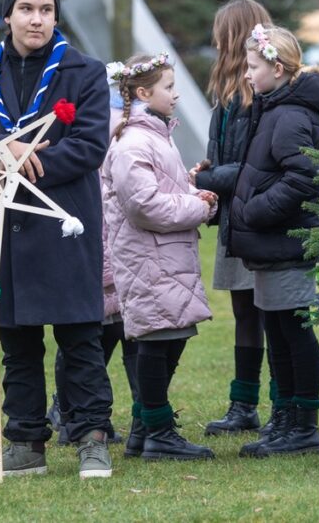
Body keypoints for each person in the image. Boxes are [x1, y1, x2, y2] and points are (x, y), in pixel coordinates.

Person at [0, 0, 113, 479]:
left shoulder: (84, 71)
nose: (36, 19)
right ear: (7, 15)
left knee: (80, 337)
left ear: (55, 17)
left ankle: (91, 438)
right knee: (16, 340)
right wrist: (3, 152)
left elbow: (89, 145)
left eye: (45, 9)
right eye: (26, 8)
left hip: (63, 221)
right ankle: (24, 442)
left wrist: (30, 163)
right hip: (0, 222)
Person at [228, 24, 319, 458]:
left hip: (287, 244)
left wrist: (255, 212)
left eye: (253, 66)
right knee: (277, 330)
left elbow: (304, 179)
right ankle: (285, 416)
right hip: (272, 247)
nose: (247, 75)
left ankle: (303, 425)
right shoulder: (274, 106)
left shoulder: (290, 114)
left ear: (277, 66)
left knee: (293, 332)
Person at [105, 53, 218, 460]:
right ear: (142, 92)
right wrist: (199, 209)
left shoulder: (156, 136)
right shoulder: (133, 141)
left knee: (171, 339)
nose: (176, 94)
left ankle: (143, 430)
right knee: (157, 341)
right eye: (169, 87)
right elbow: (144, 205)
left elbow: (165, 188)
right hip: (148, 259)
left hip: (167, 258)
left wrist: (193, 193)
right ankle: (157, 431)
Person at [192, 0, 278, 436]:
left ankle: (283, 406)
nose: (215, 40)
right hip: (234, 220)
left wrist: (215, 177)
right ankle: (243, 404)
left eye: (220, 32)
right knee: (245, 314)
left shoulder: (261, 96)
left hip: (258, 219)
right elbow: (225, 156)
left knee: (272, 314)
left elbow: (255, 164)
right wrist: (205, 173)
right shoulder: (226, 95)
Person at [47, 72, 139, 448]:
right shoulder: (103, 136)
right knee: (88, 342)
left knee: (104, 339)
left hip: (115, 263)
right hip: (100, 260)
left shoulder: (123, 136)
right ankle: (69, 412)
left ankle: (75, 412)